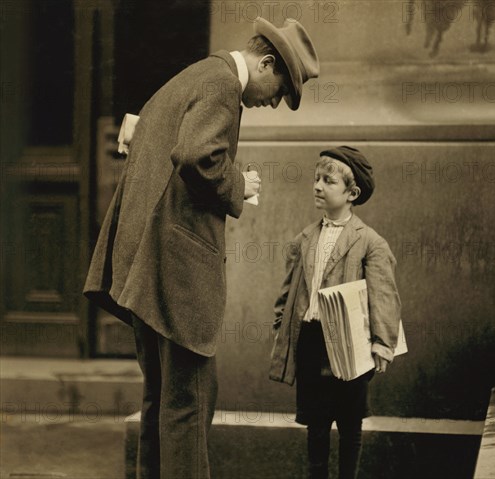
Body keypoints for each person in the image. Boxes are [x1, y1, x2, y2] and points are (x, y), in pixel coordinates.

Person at [83, 18, 319, 479]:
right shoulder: (222, 86)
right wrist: (238, 183)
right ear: (266, 62)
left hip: (142, 270)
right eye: (280, 89)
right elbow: (196, 155)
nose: (273, 102)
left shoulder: (192, 76)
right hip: (176, 277)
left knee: (160, 402)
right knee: (189, 404)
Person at [269, 146, 403, 479]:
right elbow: (289, 289)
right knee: (316, 425)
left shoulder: (370, 242)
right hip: (312, 342)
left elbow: (383, 296)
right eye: (316, 179)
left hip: (350, 345)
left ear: (352, 193)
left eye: (328, 181)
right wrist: (281, 324)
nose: (317, 185)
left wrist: (381, 343)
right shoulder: (304, 238)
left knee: (349, 423)